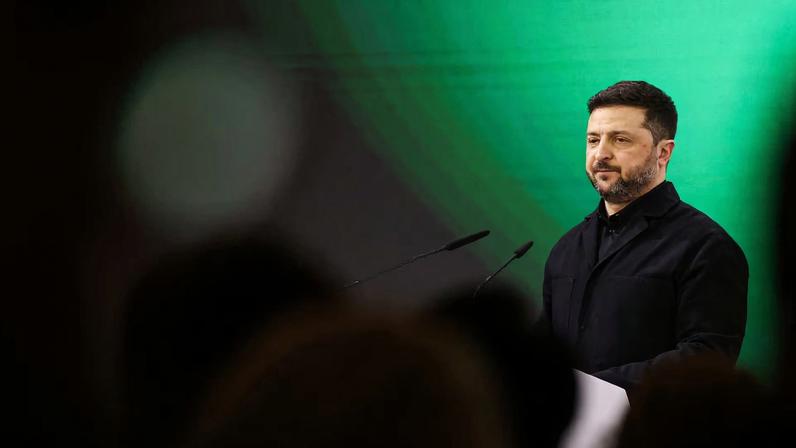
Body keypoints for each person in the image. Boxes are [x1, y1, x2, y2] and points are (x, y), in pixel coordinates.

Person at [542, 80, 748, 391]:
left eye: (620, 140)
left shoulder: (706, 247)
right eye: (593, 140)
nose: (601, 154)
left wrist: (596, 392)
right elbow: (546, 349)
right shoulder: (567, 248)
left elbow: (707, 358)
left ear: (663, 152)